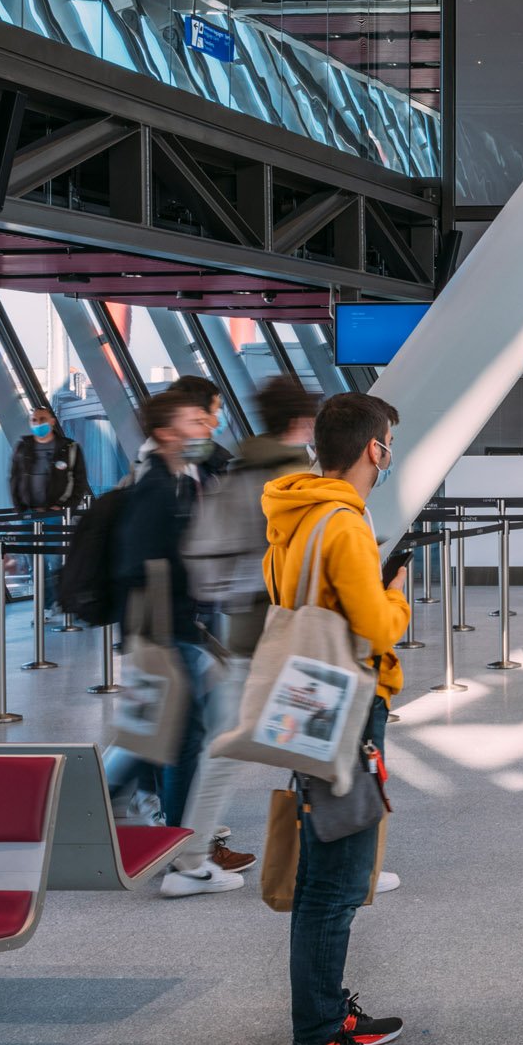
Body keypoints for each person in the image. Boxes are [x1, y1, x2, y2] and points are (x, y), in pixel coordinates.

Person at [264, 391, 413, 1045]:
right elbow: (377, 626)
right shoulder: (346, 525)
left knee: (328, 865)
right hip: (350, 704)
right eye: (388, 444)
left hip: (307, 697)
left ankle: (326, 1012)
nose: (389, 457)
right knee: (336, 881)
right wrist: (399, 592)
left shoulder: (294, 515)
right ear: (373, 448)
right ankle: (316, 1042)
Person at [170, 375, 319, 893]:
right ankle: (335, 861)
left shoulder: (236, 470)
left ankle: (190, 860)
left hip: (244, 629)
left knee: (229, 747)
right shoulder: (295, 477)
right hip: (293, 630)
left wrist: (237, 592)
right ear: (303, 422)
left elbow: (200, 553)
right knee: (323, 745)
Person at [106, 388, 220, 857]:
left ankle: (175, 837)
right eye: (194, 422)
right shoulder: (154, 487)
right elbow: (137, 563)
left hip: (172, 627)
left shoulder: (173, 480)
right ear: (166, 433)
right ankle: (180, 845)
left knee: (165, 734)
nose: (205, 430)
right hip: (166, 630)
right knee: (174, 735)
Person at [9, 402, 89, 513]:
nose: (38, 423)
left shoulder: (70, 448)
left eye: (42, 419)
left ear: (52, 422)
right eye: (34, 420)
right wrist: (19, 507)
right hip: (28, 513)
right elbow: (14, 478)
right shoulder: (22, 447)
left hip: (57, 514)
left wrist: (66, 507)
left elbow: (80, 481)